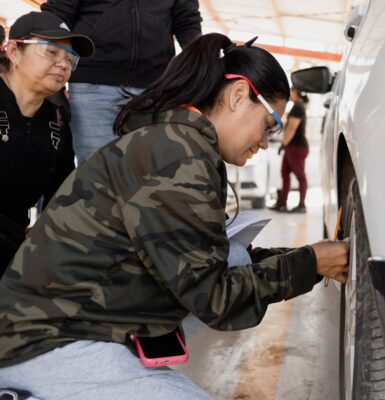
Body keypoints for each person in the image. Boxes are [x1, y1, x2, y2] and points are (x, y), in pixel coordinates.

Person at [0, 33, 349, 399]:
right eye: (270, 124)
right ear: (238, 95)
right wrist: (310, 263)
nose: (265, 141)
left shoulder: (174, 140)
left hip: (76, 318)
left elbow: (201, 260)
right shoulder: (176, 156)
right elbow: (214, 299)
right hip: (44, 343)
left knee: (235, 256)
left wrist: (309, 259)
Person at [41, 0, 203, 163]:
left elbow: (187, 22)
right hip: (92, 87)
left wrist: (203, 73)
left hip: (155, 90)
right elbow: (57, 16)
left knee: (152, 171)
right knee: (96, 170)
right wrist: (50, 87)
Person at [0, 12, 94, 276]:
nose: (62, 64)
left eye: (70, 59)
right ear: (14, 51)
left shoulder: (56, 121)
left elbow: (62, 195)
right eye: (51, 52)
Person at [270, 88, 310, 213]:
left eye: (291, 92)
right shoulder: (296, 107)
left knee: (300, 176)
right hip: (291, 146)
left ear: (296, 93)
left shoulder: (298, 107)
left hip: (297, 147)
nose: (290, 95)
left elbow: (292, 128)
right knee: (285, 173)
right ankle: (282, 203)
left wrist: (284, 144)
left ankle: (302, 205)